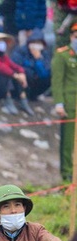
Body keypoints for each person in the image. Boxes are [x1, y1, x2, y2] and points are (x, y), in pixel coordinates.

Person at [0, 31, 34, 115]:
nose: (2, 43)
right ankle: (7, 98)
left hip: (0, 84)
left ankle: (23, 98)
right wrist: (15, 75)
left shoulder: (3, 56)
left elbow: (14, 66)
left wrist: (21, 73)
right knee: (5, 74)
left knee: (17, 73)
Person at [51, 20, 77, 183]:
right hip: (69, 104)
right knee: (67, 141)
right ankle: (67, 174)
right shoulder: (62, 55)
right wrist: (59, 103)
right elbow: (57, 81)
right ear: (71, 36)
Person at [10, 28, 52, 102]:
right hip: (22, 82)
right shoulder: (20, 51)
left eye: (38, 43)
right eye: (34, 42)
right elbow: (15, 65)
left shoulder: (45, 54)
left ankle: (33, 96)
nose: (35, 45)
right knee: (26, 73)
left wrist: (38, 59)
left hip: (36, 85)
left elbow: (45, 73)